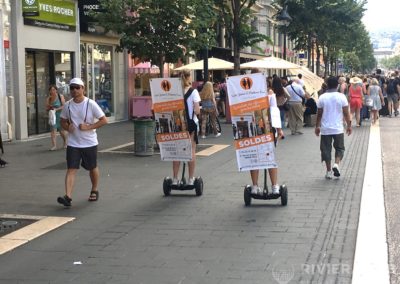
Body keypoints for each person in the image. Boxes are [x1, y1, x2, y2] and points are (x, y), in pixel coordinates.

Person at [57, 78, 108, 207]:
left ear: (83, 88)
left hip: (89, 142)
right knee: (71, 169)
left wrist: (89, 127)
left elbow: (104, 120)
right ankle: (68, 197)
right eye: (72, 87)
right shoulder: (68, 105)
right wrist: (68, 127)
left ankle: (94, 189)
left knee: (92, 167)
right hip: (73, 143)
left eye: (77, 87)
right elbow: (62, 121)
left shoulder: (91, 104)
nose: (74, 90)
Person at [315, 76, 352, 179]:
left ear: (327, 85)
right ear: (337, 85)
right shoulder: (341, 97)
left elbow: (319, 114)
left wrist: (317, 126)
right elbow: (346, 113)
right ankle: (336, 164)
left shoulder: (322, 97)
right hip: (338, 128)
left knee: (326, 149)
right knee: (340, 148)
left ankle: (328, 171)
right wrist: (349, 125)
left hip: (325, 128)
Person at [249, 88, 284, 195]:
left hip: (252, 129)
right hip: (268, 129)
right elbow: (274, 111)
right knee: (269, 156)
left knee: (255, 157)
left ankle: (255, 187)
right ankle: (274, 187)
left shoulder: (246, 93)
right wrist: (279, 129)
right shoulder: (269, 93)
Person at [172, 70, 201, 186]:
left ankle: (175, 179)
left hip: (178, 124)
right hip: (190, 124)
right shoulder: (193, 92)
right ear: (189, 78)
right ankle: (190, 179)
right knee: (191, 150)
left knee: (177, 151)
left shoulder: (174, 92)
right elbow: (197, 110)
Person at [46, 85, 67, 151]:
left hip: (60, 115)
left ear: (56, 90)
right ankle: (54, 146)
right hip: (53, 116)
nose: (52, 91)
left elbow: (64, 106)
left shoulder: (60, 96)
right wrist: (49, 108)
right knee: (53, 131)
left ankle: (65, 142)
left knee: (61, 131)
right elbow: (46, 107)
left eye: (54, 90)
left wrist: (56, 109)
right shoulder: (48, 98)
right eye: (51, 90)